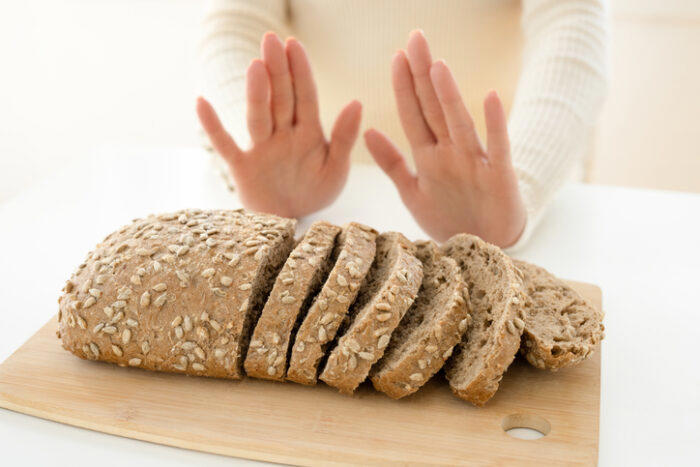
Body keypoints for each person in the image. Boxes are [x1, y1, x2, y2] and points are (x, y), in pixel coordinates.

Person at [196, 0, 608, 249]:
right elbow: (232, 26)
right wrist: (259, 145)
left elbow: (571, 24)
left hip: (500, 196)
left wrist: (523, 183)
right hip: (317, 205)